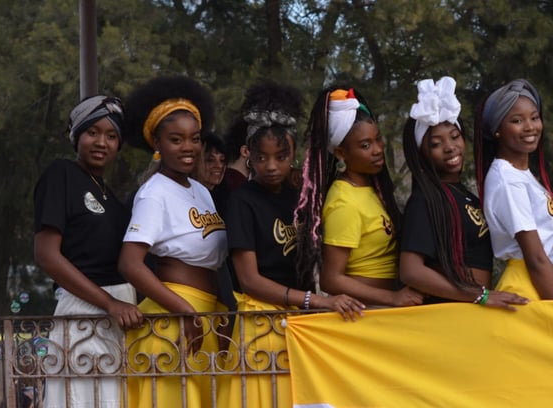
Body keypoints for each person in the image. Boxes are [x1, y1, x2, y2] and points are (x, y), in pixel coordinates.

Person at [220, 82, 364, 408]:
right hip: (260, 324)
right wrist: (317, 301)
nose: (271, 166)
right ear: (248, 155)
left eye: (281, 157)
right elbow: (249, 280)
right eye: (262, 158)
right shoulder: (242, 201)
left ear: (293, 153)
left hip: (299, 324)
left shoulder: (299, 196)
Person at [117, 76, 227, 408]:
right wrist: (183, 310)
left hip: (205, 314)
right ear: (158, 144)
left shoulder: (201, 191)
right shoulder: (154, 193)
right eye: (176, 140)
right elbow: (130, 263)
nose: (188, 147)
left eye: (195, 139)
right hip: (175, 317)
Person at [33, 95, 142, 408]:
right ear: (76, 135)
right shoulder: (62, 174)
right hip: (83, 314)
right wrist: (109, 303)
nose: (101, 142)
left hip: (121, 316)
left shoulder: (109, 196)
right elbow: (46, 255)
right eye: (92, 132)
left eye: (111, 136)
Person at [399, 76, 528, 309]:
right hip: (450, 314)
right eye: (436, 144)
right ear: (421, 154)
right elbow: (411, 271)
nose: (450, 147)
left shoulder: (466, 196)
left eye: (455, 136)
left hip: (472, 311)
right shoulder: (425, 200)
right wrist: (479, 295)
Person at [294, 87, 423, 306]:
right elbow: (330, 279)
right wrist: (392, 297)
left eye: (378, 139)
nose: (377, 149)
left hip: (390, 307)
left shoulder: (372, 188)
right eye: (365, 145)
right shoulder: (344, 201)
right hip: (367, 311)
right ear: (341, 153)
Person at [474, 79, 553, 301]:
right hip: (531, 287)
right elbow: (535, 258)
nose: (530, 127)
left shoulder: (521, 175)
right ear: (497, 130)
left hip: (546, 282)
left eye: (534, 117)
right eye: (517, 120)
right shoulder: (509, 181)